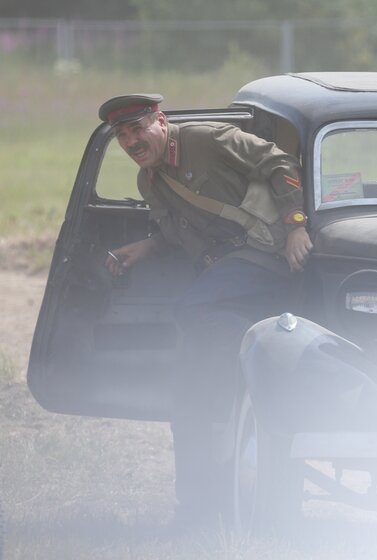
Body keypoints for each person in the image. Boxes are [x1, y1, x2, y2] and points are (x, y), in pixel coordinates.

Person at [98, 93, 312, 529]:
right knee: (191, 382)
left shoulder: (206, 140)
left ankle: (243, 365)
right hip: (227, 273)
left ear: (160, 121)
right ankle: (198, 501)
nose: (131, 142)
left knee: (190, 308)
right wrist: (145, 247)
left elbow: (280, 162)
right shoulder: (149, 182)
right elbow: (180, 233)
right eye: (122, 135)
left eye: (138, 129)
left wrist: (295, 225)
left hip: (265, 255)